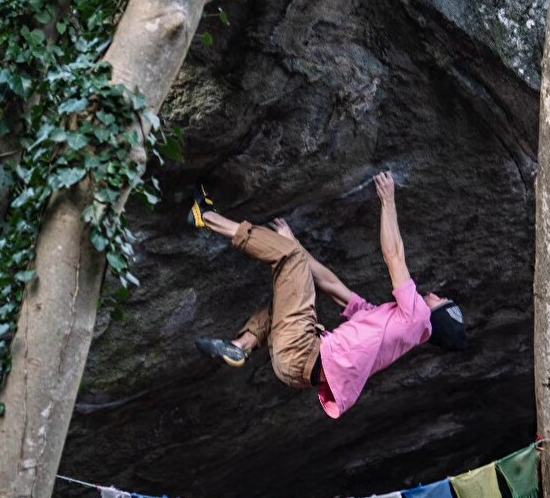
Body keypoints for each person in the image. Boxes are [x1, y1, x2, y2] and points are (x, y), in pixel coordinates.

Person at [189, 172, 467, 418]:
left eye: (441, 300)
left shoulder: (418, 317)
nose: (434, 294)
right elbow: (333, 287)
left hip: (304, 350)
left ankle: (206, 216)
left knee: (289, 257)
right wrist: (296, 243)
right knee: (290, 292)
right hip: (295, 368)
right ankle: (242, 345)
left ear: (438, 315)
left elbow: (394, 256)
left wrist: (388, 201)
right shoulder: (391, 329)